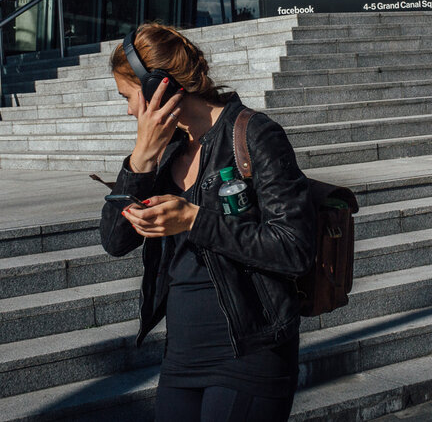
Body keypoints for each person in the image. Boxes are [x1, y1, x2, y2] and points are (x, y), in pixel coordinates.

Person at [100, 23, 316, 422]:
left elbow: (294, 248)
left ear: (156, 88)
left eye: (128, 97)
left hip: (250, 352)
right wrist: (140, 159)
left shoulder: (254, 135)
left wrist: (195, 220)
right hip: (181, 357)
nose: (130, 110)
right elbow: (115, 241)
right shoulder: (164, 152)